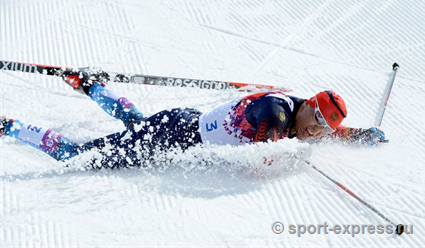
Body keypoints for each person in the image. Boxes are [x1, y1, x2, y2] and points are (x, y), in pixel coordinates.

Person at [0, 70, 386, 168]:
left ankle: (92, 85)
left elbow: (321, 133)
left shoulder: (302, 116)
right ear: (307, 105)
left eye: (324, 127)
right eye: (316, 119)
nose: (316, 130)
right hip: (175, 134)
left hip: (183, 125)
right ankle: (9, 125)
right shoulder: (277, 111)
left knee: (136, 121)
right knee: (79, 156)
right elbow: (263, 158)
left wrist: (358, 135)